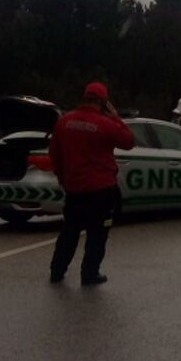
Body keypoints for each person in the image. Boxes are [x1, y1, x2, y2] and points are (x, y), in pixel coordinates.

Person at [49, 82, 135, 286]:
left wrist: (63, 178)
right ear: (103, 102)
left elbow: (54, 154)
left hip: (75, 189)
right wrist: (114, 116)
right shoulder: (105, 124)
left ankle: (57, 271)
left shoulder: (65, 122)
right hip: (101, 190)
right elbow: (128, 141)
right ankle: (89, 273)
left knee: (70, 230)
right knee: (98, 234)